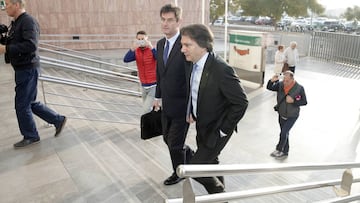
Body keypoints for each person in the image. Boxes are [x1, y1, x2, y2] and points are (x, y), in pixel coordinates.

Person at [180, 24, 248, 194]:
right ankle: (217, 197)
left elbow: (241, 102)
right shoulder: (192, 63)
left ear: (202, 45)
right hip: (202, 124)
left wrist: (224, 130)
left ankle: (220, 196)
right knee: (211, 165)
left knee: (195, 169)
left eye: (187, 45)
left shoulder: (221, 69)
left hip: (217, 129)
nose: (183, 49)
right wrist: (191, 110)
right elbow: (195, 90)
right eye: (182, 45)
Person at [0, 0, 67, 148]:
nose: (5, 9)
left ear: (16, 5)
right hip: (22, 68)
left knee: (21, 104)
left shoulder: (28, 21)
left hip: (27, 68)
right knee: (29, 102)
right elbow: (14, 42)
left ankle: (31, 136)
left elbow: (31, 45)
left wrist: (6, 49)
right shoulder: (17, 22)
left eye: (8, 5)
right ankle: (58, 120)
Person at [153, 4, 191, 186]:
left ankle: (179, 172)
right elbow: (160, 73)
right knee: (167, 138)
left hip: (183, 107)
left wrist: (191, 108)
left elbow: (191, 79)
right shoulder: (160, 44)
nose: (165, 24)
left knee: (174, 143)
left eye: (169, 20)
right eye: (163, 19)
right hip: (166, 104)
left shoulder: (186, 45)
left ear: (178, 21)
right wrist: (157, 97)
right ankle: (188, 155)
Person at [267, 71, 307, 159]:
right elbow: (269, 87)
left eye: (287, 81)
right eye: (284, 80)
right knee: (284, 133)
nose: (285, 82)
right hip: (281, 114)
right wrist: (272, 81)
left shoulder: (299, 88)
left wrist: (294, 101)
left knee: (284, 132)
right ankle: (285, 151)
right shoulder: (280, 85)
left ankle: (279, 149)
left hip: (292, 115)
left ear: (292, 79)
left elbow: (304, 102)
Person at [123, 30, 157, 113]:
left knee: (146, 109)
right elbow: (126, 59)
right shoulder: (136, 51)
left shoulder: (152, 50)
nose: (141, 41)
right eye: (139, 39)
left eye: (143, 39)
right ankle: (153, 125)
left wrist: (151, 47)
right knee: (150, 110)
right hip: (143, 85)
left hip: (154, 85)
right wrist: (132, 48)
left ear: (147, 39)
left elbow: (160, 59)